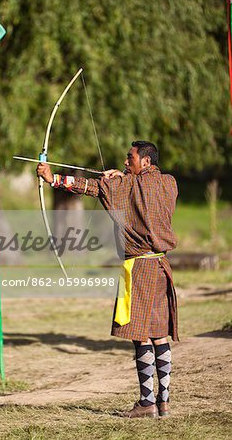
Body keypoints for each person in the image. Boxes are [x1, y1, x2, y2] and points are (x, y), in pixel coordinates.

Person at [36, 140, 179, 419]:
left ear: (145, 162)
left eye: (130, 159)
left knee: (140, 337)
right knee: (159, 335)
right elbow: (143, 189)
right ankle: (164, 402)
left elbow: (89, 187)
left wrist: (52, 178)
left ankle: (146, 402)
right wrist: (124, 177)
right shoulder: (170, 183)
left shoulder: (123, 186)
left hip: (138, 270)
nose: (126, 162)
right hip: (162, 267)